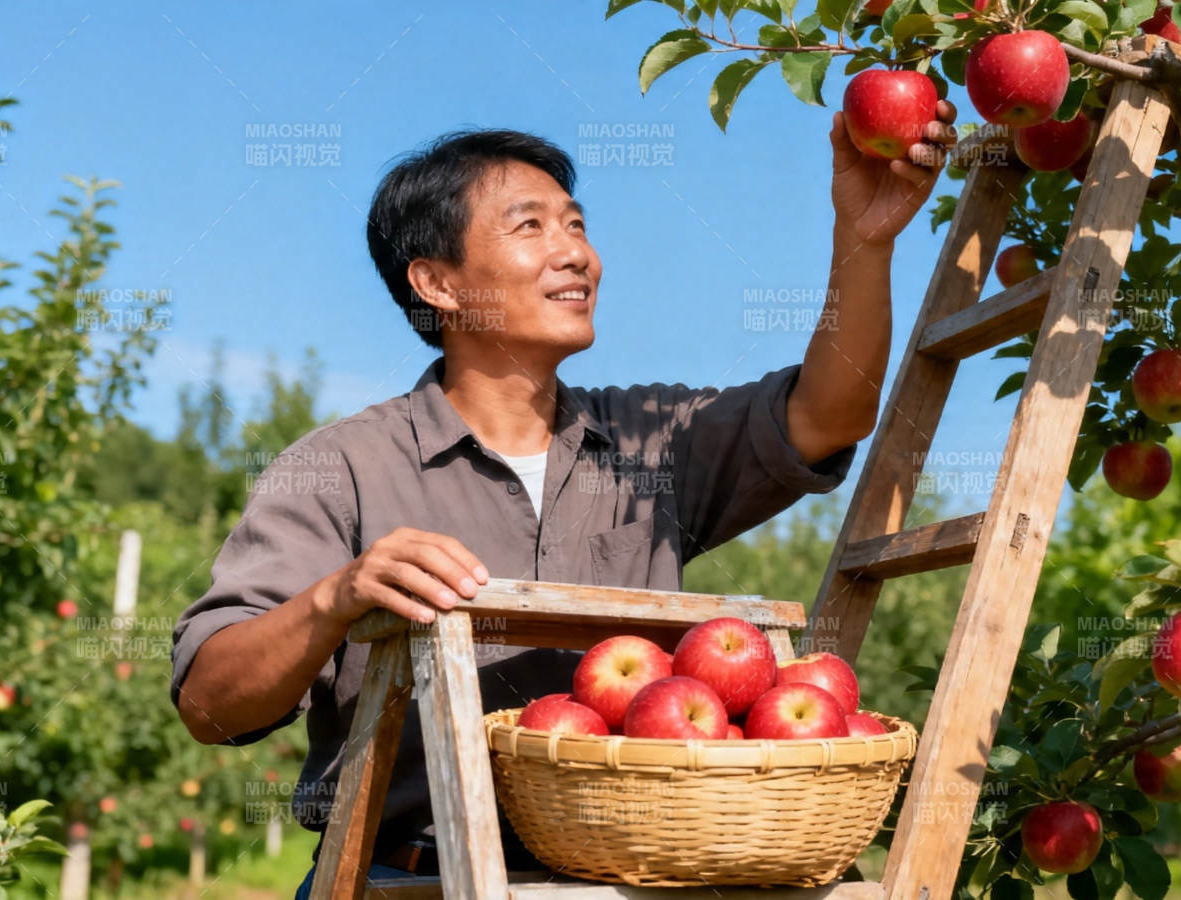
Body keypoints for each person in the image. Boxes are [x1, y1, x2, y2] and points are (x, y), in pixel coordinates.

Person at [169, 105, 956, 894]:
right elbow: (211, 704)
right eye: (531, 227)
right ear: (437, 282)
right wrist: (336, 598)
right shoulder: (342, 468)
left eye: (576, 226)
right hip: (406, 881)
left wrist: (865, 236)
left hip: (628, 882)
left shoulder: (654, 442)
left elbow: (831, 414)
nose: (575, 253)